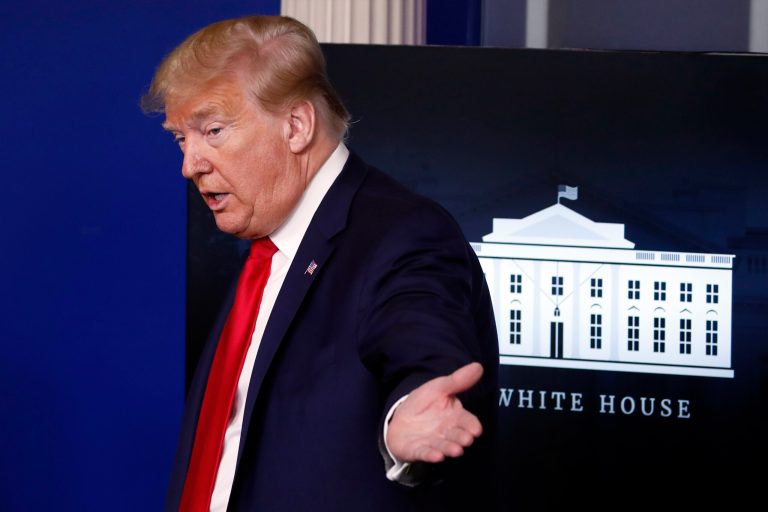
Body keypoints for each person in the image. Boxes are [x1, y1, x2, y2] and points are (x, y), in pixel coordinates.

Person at [143, 15, 499, 512]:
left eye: (213, 130)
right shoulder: (268, 238)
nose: (190, 164)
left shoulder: (402, 233)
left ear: (296, 126)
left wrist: (408, 416)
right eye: (182, 138)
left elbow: (422, 340)